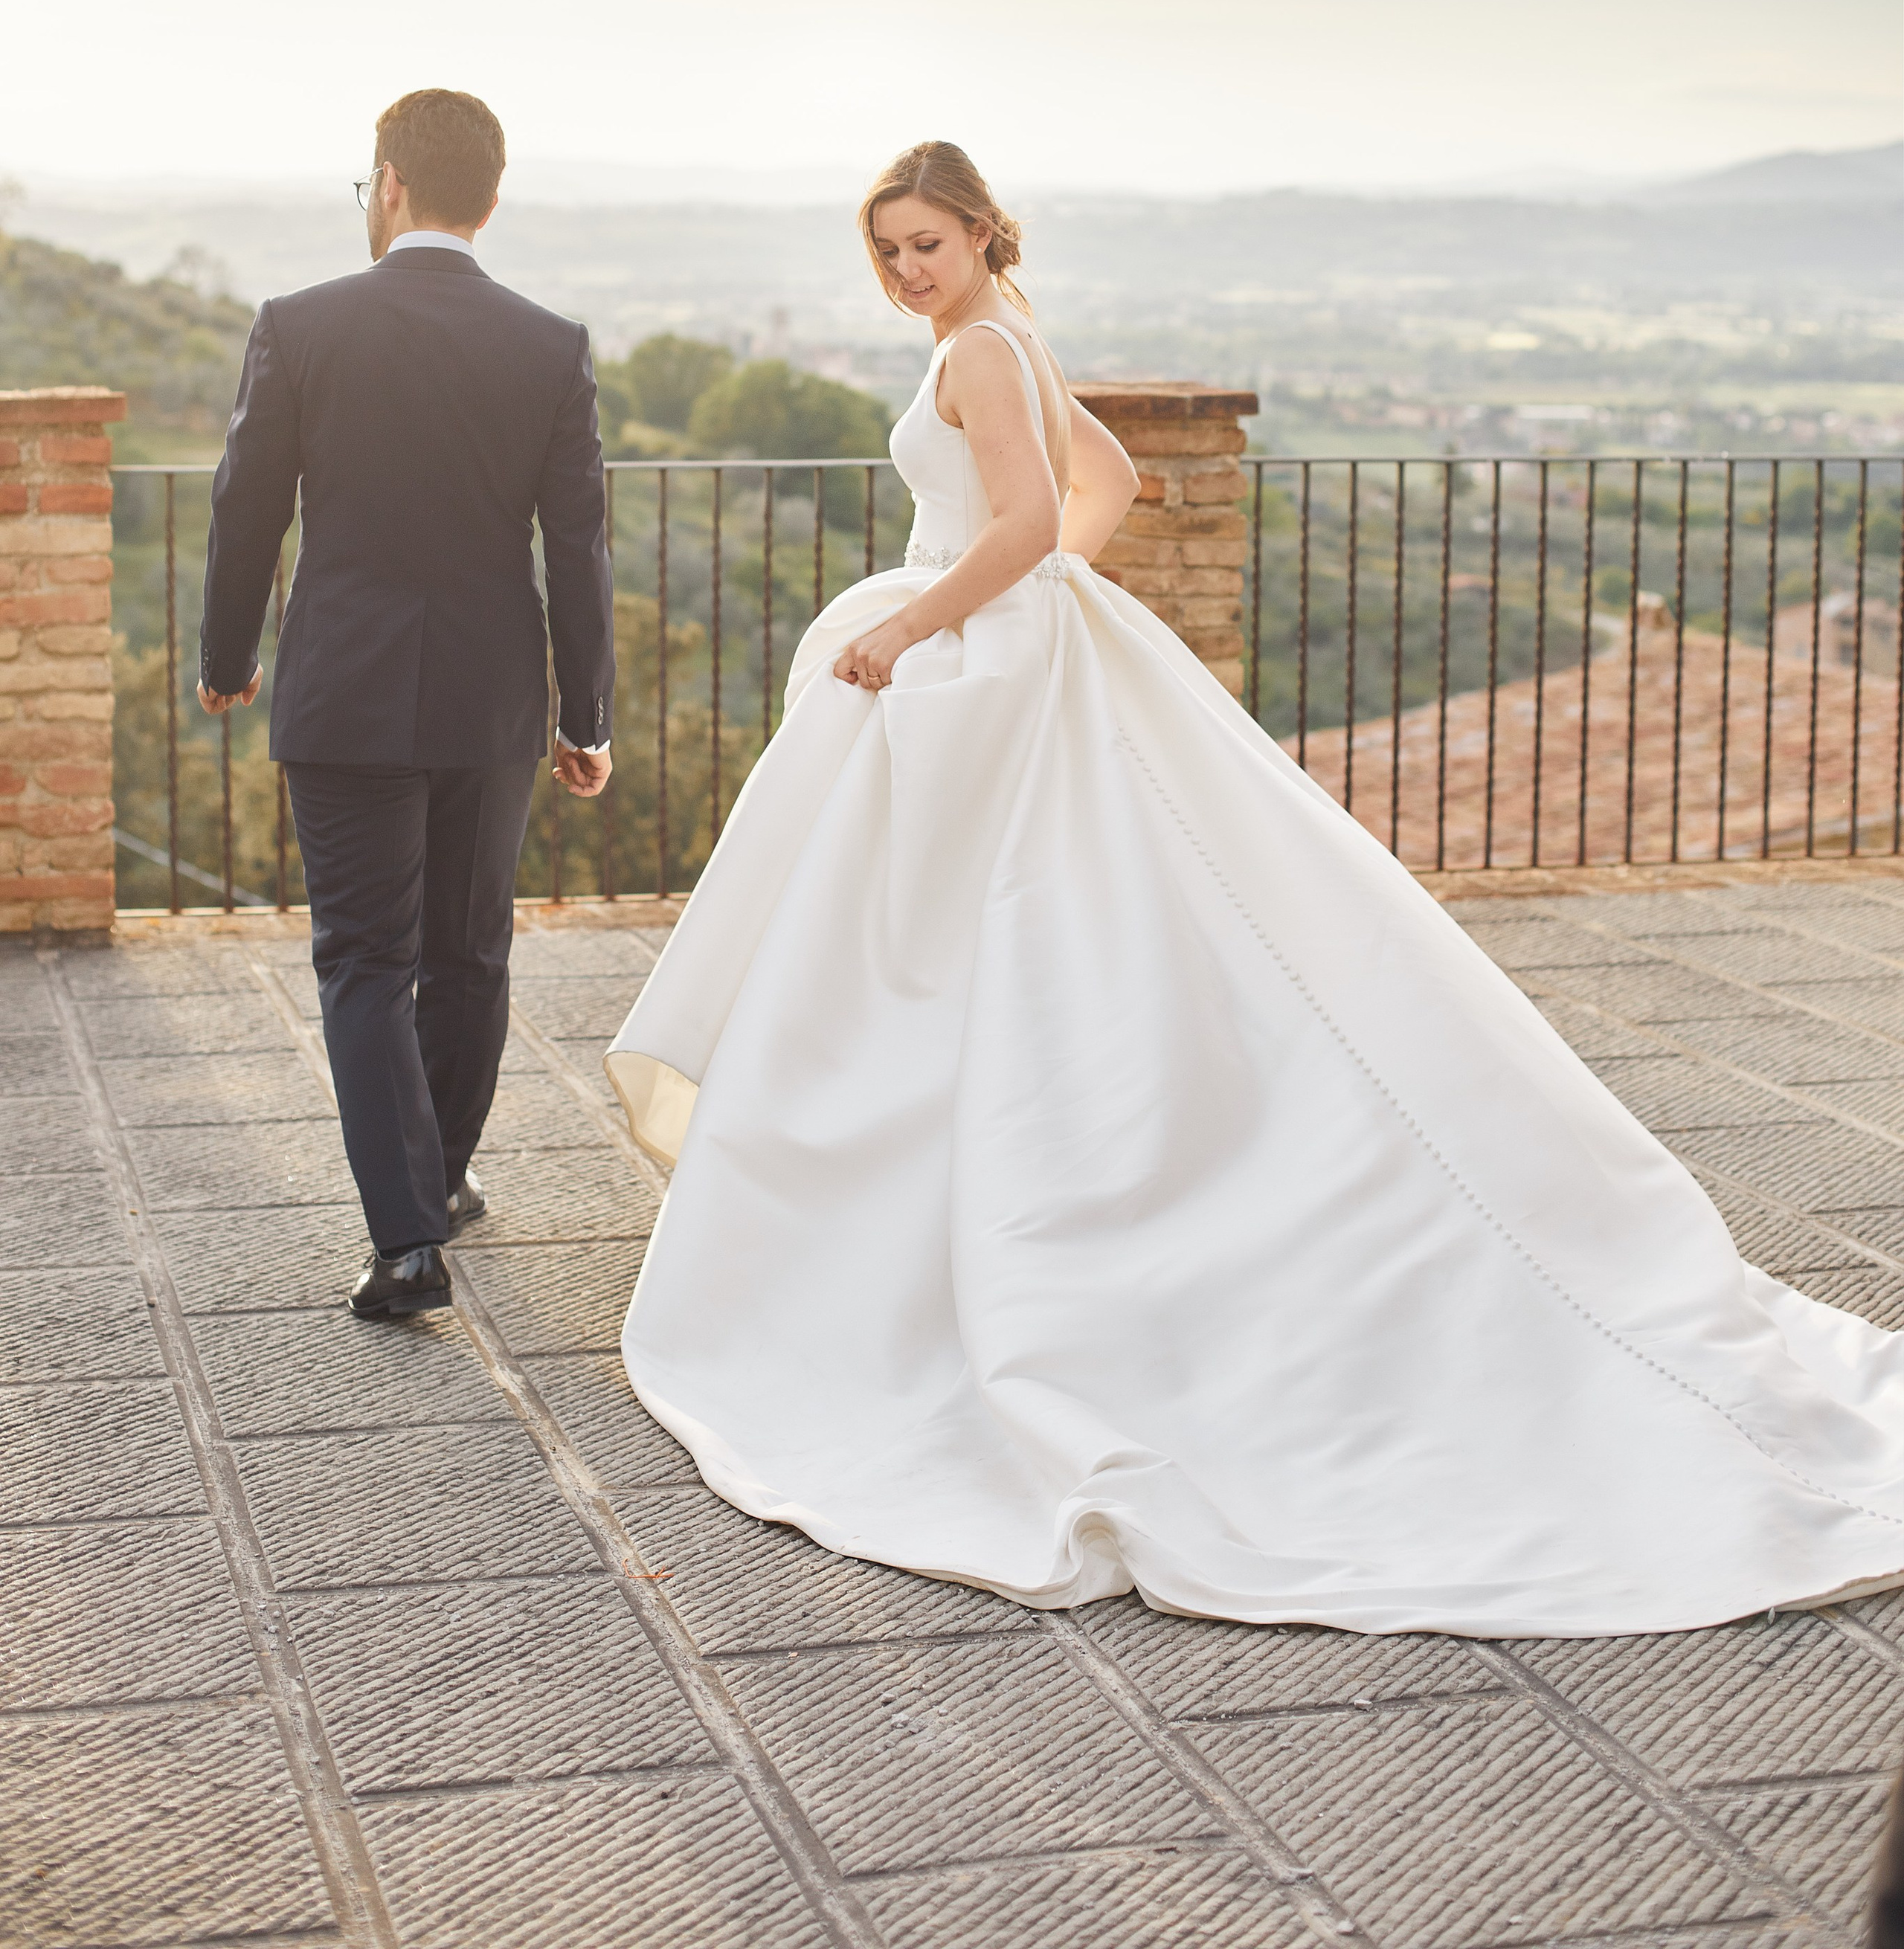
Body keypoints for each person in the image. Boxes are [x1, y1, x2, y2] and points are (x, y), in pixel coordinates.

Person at [605, 138, 1904, 1634]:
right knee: (1038, 930)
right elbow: (1115, 480)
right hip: (1028, 648)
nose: (904, 273)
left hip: (976, 653)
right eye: (885, 249)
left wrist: (922, 626)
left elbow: (1033, 520)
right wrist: (1035, 596)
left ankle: (899, 1226)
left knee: (941, 944)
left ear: (977, 234)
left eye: (923, 245)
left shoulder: (973, 355)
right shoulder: (1014, 333)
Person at [199, 88, 614, 1319]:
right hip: (492, 695)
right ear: (489, 198)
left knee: (365, 960)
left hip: (345, 693)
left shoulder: (301, 326)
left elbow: (245, 507)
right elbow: (577, 546)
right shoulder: (552, 344)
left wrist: (227, 655)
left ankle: (406, 1240)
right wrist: (583, 713)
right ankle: (441, 1185)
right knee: (469, 951)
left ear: (388, 184)